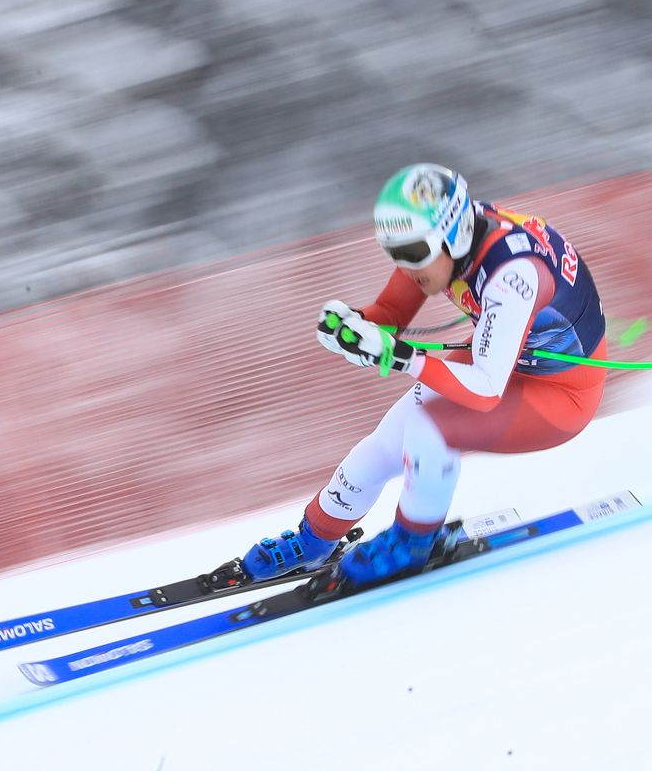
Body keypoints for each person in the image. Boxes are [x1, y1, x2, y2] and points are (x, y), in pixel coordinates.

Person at [240, 163, 607, 589]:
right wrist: (353, 327)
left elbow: (486, 390)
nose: (404, 264)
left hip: (561, 392)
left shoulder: (512, 274)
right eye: (392, 251)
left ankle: (412, 544)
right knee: (390, 437)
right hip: (508, 359)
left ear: (454, 235)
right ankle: (316, 537)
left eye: (412, 252)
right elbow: (391, 312)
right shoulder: (438, 241)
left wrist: (400, 357)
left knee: (431, 429)